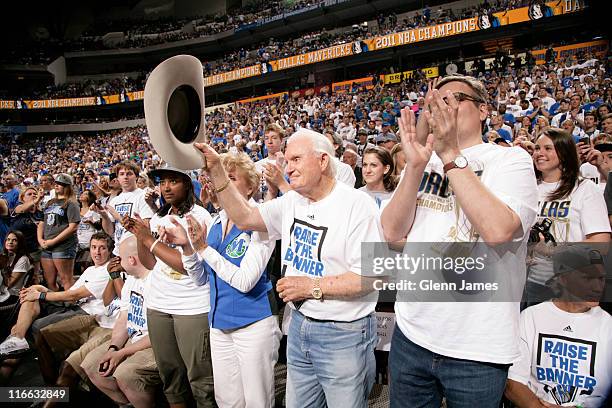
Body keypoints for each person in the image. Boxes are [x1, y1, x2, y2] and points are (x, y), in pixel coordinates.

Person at [194, 128, 383, 408]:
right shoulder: (292, 201)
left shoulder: (358, 205)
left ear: (322, 161)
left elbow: (372, 277)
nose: (287, 168)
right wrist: (218, 171)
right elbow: (245, 217)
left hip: (344, 333)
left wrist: (312, 286)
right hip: (299, 325)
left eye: (295, 159)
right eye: (286, 160)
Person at [381, 75, 539, 407]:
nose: (441, 107)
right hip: (412, 333)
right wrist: (414, 166)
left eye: (453, 98)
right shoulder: (424, 161)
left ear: (483, 110)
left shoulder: (511, 160)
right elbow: (391, 231)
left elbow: (498, 230)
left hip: (476, 346)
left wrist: (451, 153)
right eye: (434, 102)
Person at [164, 153, 281, 408]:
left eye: (232, 178)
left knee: (257, 402)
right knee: (227, 401)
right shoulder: (217, 221)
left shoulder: (262, 221)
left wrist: (204, 248)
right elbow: (200, 278)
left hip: (254, 323)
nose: (222, 184)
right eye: (221, 178)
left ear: (250, 186)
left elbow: (245, 281)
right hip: (218, 324)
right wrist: (188, 248)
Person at [123, 164, 214, 407]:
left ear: (187, 184)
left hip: (192, 306)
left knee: (201, 380)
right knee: (171, 379)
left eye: (173, 181)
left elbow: (188, 266)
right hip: (159, 304)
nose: (166, 187)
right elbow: (150, 263)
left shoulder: (200, 216)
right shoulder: (158, 216)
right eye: (162, 182)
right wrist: (139, 234)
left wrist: (148, 239)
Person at [506, 245, 612, 407]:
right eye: (587, 278)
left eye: (601, 279)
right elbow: (513, 382)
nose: (598, 287)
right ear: (563, 278)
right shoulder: (531, 317)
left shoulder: (608, 325)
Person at [0, 232, 113, 378]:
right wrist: (40, 289)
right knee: (32, 293)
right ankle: (17, 339)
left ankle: (18, 342)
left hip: (85, 313)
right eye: (94, 247)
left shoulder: (107, 269)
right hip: (71, 306)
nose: (97, 252)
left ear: (109, 251)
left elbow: (74, 296)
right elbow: (70, 294)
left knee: (34, 326)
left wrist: (42, 294)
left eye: (102, 248)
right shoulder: (91, 270)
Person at [525, 128, 611, 305]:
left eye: (548, 148)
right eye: (537, 148)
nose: (539, 153)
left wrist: (556, 251)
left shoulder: (585, 188)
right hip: (533, 282)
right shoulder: (528, 188)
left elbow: (601, 242)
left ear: (564, 153)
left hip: (573, 284)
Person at [81, 236, 160, 408]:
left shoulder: (156, 283)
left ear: (131, 260)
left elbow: (158, 334)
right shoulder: (131, 279)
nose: (118, 262)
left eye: (121, 258)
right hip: (134, 337)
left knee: (125, 374)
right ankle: (126, 404)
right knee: (92, 365)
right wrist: (113, 348)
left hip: (154, 343)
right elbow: (124, 317)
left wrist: (122, 353)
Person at [94, 161, 154, 256]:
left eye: (129, 174)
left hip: (137, 250)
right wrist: (104, 216)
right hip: (118, 250)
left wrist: (119, 217)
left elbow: (147, 227)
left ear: (137, 177)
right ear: (117, 178)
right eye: (121, 174)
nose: (125, 177)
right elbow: (110, 231)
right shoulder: (115, 200)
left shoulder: (143, 196)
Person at [38, 174, 80, 291]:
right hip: (47, 245)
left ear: (67, 186)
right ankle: (56, 305)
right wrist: (41, 240)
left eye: (60, 183)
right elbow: (42, 223)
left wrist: (53, 241)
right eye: (56, 183)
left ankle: (71, 304)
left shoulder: (72, 203)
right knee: (49, 281)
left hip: (64, 246)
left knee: (65, 279)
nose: (56, 185)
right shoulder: (50, 202)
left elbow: (73, 227)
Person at [0, 231, 33, 335]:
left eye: (14, 240)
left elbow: (9, 284)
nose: (10, 242)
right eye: (8, 239)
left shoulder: (23, 259)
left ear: (20, 243)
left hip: (11, 295)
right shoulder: (4, 255)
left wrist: (3, 267)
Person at [11, 186, 44, 278]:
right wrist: (36, 200)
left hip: (34, 252)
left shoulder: (41, 214)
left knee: (34, 277)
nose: (33, 195)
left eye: (35, 194)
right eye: (29, 194)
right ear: (22, 198)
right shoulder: (18, 208)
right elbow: (21, 209)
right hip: (16, 251)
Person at [76, 190, 101, 274]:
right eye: (82, 193)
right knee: (76, 267)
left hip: (88, 242)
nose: (82, 195)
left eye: (86, 194)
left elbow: (99, 226)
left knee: (86, 266)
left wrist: (91, 222)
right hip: (77, 242)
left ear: (90, 198)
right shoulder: (76, 210)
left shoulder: (93, 211)